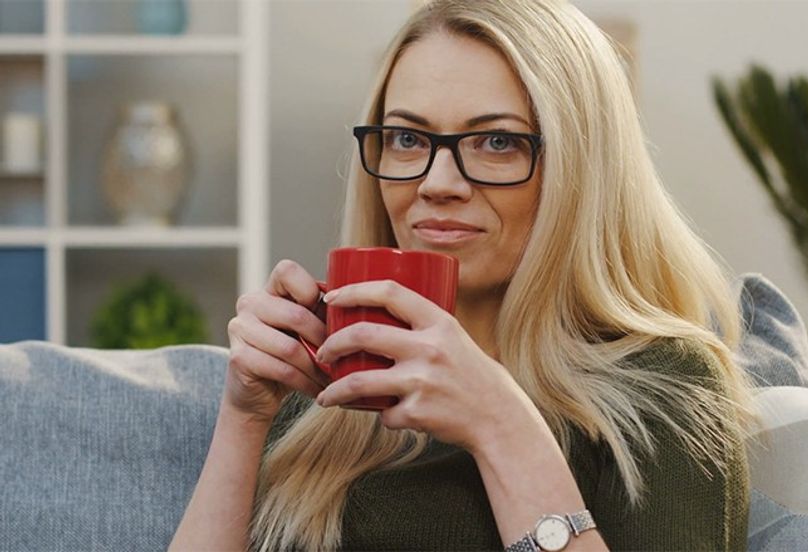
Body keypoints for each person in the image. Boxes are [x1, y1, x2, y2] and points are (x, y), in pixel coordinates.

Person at [171, 1, 753, 550]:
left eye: (497, 142)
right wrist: (244, 417)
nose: (437, 183)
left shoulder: (666, 380)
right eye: (406, 139)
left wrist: (500, 427)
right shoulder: (330, 376)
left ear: (580, 170)